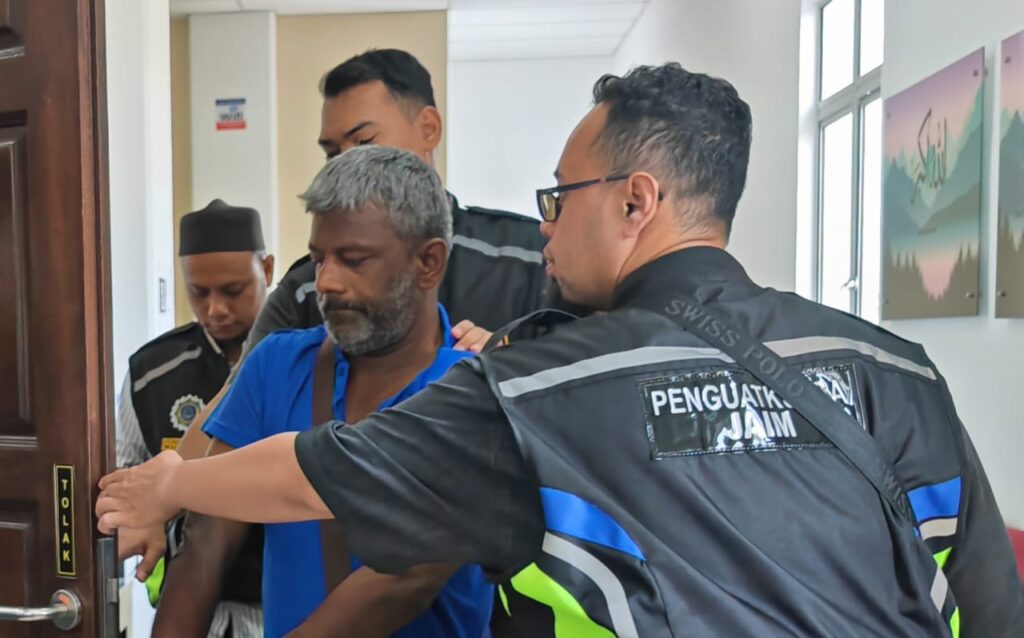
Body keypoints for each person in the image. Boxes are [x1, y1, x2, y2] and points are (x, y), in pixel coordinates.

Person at [97, 63, 1024, 636]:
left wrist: (172, 483)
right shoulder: (892, 369)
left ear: (635, 201)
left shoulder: (546, 390)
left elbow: (322, 475)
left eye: (560, 196)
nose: (544, 224)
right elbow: (990, 605)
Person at [154, 146, 492, 638]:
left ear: (428, 262)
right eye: (318, 259)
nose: (326, 282)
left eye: (353, 261)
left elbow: (402, 582)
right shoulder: (275, 366)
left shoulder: (469, 392)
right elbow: (207, 536)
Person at [115, 199, 273, 636]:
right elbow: (126, 475)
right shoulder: (151, 373)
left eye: (233, 290)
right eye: (199, 292)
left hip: (287, 606)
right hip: (190, 608)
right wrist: (144, 516)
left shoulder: (304, 360)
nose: (215, 309)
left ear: (268, 270)